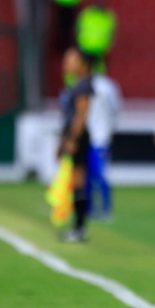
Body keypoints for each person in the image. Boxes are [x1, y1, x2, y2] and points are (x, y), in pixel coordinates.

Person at [58, 47, 95, 242]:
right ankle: (77, 227)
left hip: (79, 138)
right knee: (75, 182)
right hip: (74, 137)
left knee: (79, 181)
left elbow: (81, 115)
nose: (67, 64)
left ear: (83, 65)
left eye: (71, 60)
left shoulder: (84, 86)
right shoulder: (77, 85)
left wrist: (72, 139)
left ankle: (79, 229)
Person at [86, 64, 122, 220]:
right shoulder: (108, 86)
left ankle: (104, 208)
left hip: (99, 137)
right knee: (89, 174)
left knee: (97, 173)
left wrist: (109, 128)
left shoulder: (106, 87)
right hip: (93, 137)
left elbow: (115, 109)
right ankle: (90, 208)